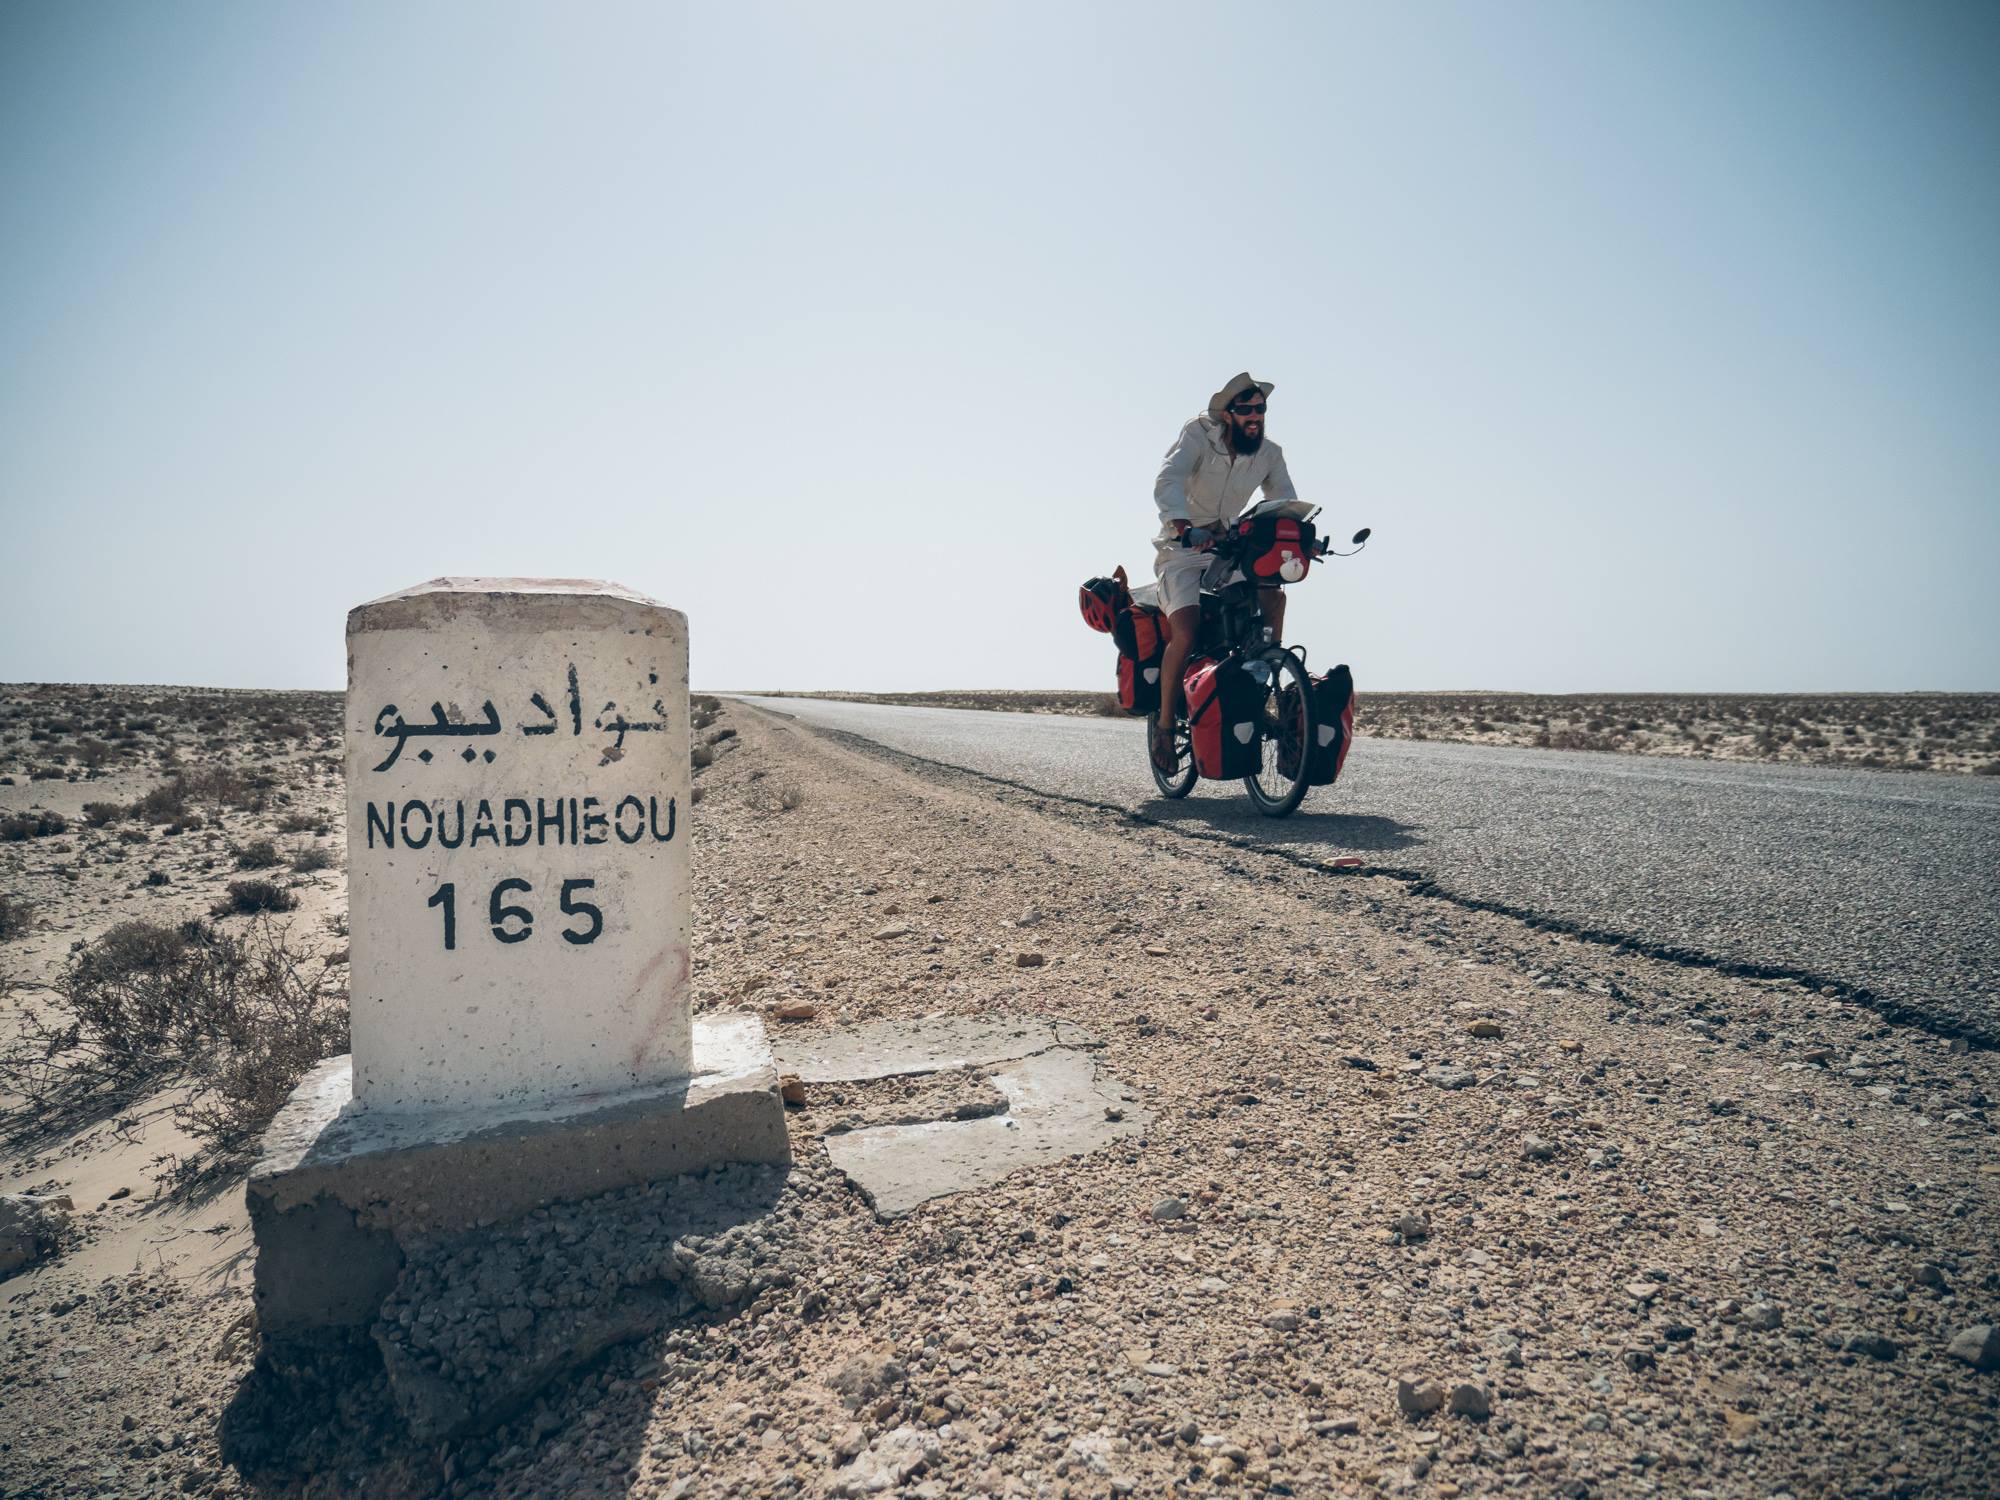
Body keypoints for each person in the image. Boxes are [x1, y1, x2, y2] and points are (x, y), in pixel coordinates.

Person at [1149, 372, 1298, 771]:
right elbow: (1169, 478)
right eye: (1246, 409)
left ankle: (1261, 681)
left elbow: (1283, 500)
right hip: (1181, 548)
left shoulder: (1269, 453)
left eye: (1260, 409)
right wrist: (1183, 526)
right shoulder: (1198, 435)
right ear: (1228, 414)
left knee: (1273, 597)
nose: (1255, 416)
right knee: (1187, 628)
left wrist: (1302, 535)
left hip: (1229, 549)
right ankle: (1164, 725)